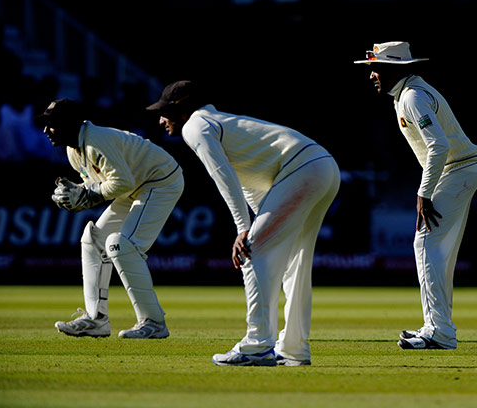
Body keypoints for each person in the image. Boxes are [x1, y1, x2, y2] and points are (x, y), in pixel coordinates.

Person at [147, 80, 340, 366]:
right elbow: (249, 182)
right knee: (294, 262)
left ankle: (257, 345)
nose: (161, 120)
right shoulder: (218, 122)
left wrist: (243, 230)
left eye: (165, 111)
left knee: (252, 250)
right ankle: (294, 349)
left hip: (303, 168)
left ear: (182, 107)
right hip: (323, 166)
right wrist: (255, 223)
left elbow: (222, 177)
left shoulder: (195, 126)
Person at [354, 42, 477, 350]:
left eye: (376, 68)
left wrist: (423, 193)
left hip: (458, 170)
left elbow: (438, 146)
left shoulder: (412, 97)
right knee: (438, 250)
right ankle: (438, 327)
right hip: (461, 170)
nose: (372, 74)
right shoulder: (408, 93)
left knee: (425, 243)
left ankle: (439, 331)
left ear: (392, 69)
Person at [39, 99, 184, 339]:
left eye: (52, 124)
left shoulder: (96, 142)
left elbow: (122, 181)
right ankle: (95, 319)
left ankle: (154, 322)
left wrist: (88, 196)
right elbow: (99, 182)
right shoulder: (73, 150)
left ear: (70, 125)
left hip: (160, 182)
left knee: (120, 245)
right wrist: (79, 192)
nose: (46, 131)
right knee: (93, 239)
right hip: (135, 187)